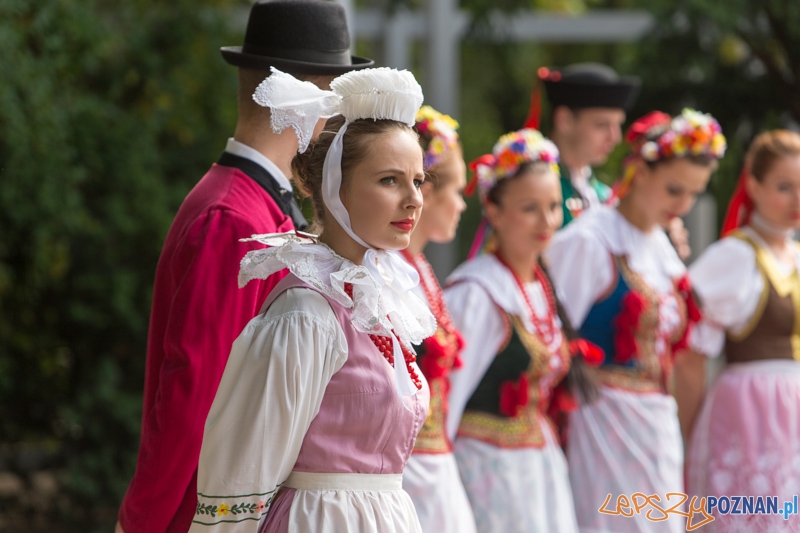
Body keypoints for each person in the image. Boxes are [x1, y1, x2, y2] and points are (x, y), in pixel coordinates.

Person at [116, 2, 372, 532]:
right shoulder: (231, 218)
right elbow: (193, 401)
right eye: (338, 99)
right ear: (309, 98)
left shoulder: (255, 207)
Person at [189, 66, 434, 532]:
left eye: (419, 180)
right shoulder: (305, 313)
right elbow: (243, 468)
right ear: (334, 185)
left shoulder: (379, 303)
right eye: (389, 180)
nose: (413, 199)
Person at [545, 108, 726, 533]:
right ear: (642, 170)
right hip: (601, 418)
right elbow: (552, 333)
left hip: (655, 419)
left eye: (693, 194)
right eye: (673, 189)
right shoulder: (590, 240)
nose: (682, 205)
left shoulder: (662, 246)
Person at [444, 128, 580, 532]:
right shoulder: (477, 292)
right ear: (494, 210)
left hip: (538, 465)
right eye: (530, 208)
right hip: (485, 467)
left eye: (554, 206)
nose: (547, 221)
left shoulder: (543, 285)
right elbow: (446, 403)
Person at [676, 130, 800, 531]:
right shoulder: (735, 257)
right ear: (754, 185)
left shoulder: (796, 256)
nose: (797, 201)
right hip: (751, 414)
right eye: (785, 187)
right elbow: (691, 353)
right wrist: (685, 434)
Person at [400, 106, 476, 533]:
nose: (463, 204)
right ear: (427, 192)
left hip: (434, 463)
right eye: (457, 191)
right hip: (407, 465)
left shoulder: (420, 267)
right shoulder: (391, 269)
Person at [530, 62, 639, 225]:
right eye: (602, 124)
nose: (615, 137)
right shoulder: (530, 189)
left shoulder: (604, 195)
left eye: (618, 125)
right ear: (564, 120)